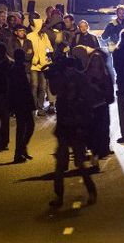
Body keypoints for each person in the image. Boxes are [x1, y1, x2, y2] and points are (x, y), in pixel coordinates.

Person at [46, 57, 97, 208]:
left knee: (80, 163)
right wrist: (53, 76)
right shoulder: (62, 78)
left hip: (77, 125)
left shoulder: (80, 79)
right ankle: (59, 196)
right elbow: (54, 91)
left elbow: (87, 100)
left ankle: (91, 191)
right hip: (64, 125)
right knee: (60, 164)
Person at [85, 50, 115, 170]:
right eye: (94, 60)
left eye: (98, 61)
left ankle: (98, 154)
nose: (95, 62)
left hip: (101, 105)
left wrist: (97, 88)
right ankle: (94, 151)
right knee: (91, 131)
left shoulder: (104, 75)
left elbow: (108, 91)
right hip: (89, 106)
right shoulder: (86, 74)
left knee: (101, 130)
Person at [9, 49, 36, 163]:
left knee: (26, 127)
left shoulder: (17, 68)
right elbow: (21, 88)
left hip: (21, 102)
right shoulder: (17, 69)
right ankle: (19, 152)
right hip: (22, 102)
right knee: (25, 127)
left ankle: (21, 149)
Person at [27, 17, 54, 117]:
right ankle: (33, 108)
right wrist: (34, 58)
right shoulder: (30, 36)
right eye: (42, 26)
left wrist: (47, 55)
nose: (43, 28)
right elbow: (28, 48)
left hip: (44, 65)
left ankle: (40, 108)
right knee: (34, 87)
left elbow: (50, 48)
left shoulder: (45, 36)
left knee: (42, 87)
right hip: (34, 65)